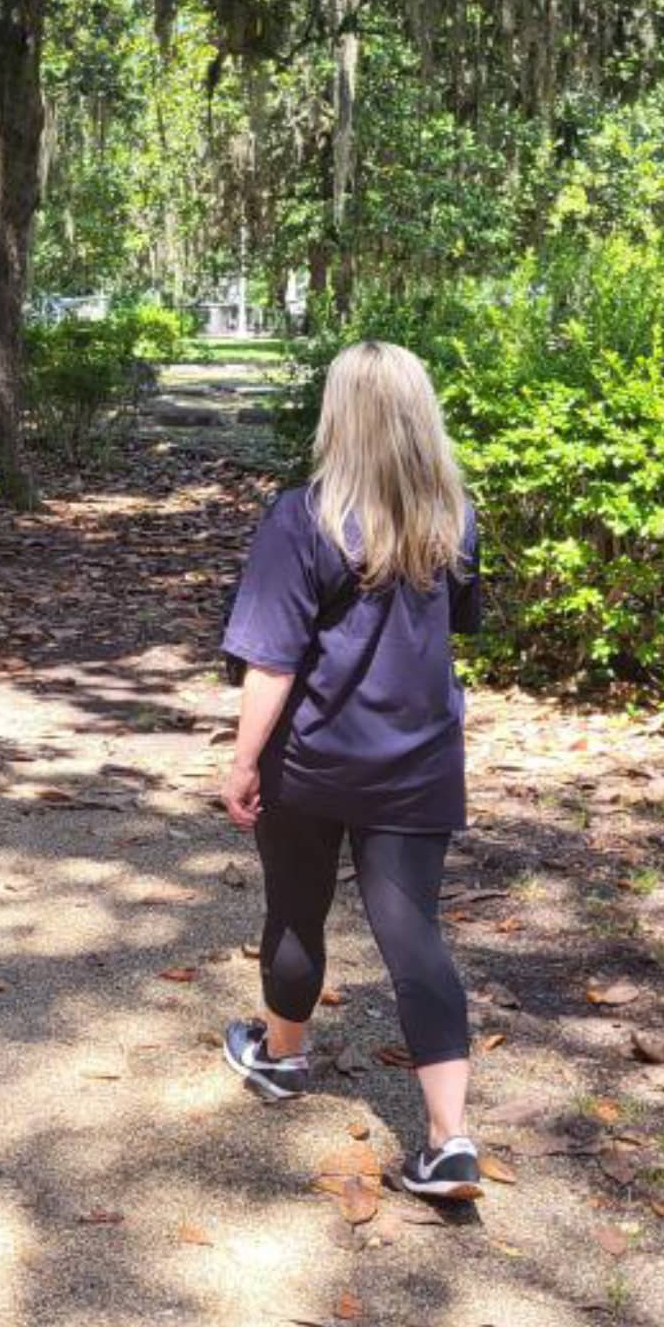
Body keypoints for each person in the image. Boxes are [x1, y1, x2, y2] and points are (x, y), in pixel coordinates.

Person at [219, 340, 485, 1201]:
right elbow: (461, 627)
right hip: (418, 764)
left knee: (296, 908)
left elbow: (272, 661)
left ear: (341, 417)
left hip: (314, 761)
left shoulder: (305, 517)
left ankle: (283, 1057)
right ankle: (450, 1139)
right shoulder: (455, 518)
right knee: (415, 938)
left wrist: (243, 759)